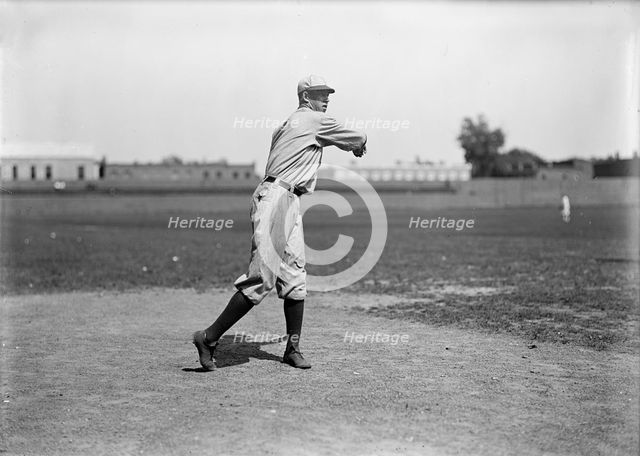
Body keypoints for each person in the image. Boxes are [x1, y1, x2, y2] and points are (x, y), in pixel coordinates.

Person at [192, 75, 368, 370]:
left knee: (296, 275)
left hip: (288, 198)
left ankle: (292, 348)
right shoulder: (312, 120)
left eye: (327, 94)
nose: (326, 99)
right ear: (305, 97)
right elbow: (357, 137)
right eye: (320, 94)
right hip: (277, 198)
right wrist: (358, 146)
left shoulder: (287, 124)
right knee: (262, 278)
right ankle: (207, 338)